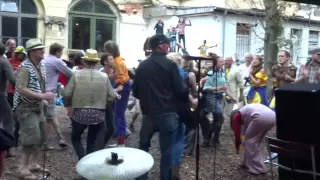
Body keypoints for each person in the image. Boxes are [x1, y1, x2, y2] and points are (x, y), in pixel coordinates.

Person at [133, 34, 184, 180]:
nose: (169, 45)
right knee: (167, 151)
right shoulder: (171, 65)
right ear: (160, 45)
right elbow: (181, 89)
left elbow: (135, 91)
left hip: (148, 114)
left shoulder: (142, 65)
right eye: (167, 43)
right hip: (167, 113)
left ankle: (141, 177)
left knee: (143, 148)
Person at [64, 49, 116, 160]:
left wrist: (68, 105)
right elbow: (111, 96)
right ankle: (89, 163)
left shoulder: (76, 75)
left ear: (85, 61)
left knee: (76, 138)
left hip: (79, 113)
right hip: (98, 114)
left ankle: (83, 159)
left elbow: (67, 93)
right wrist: (103, 105)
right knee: (91, 140)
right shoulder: (104, 77)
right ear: (96, 62)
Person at [14, 39, 54, 179]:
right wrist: (42, 95)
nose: (43, 51)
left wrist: (42, 98)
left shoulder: (41, 65)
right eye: (40, 49)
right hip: (25, 107)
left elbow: (40, 84)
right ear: (32, 52)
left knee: (42, 136)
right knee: (31, 138)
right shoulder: (24, 67)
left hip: (37, 106)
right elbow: (21, 89)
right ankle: (22, 169)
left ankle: (33, 164)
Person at [230, 104, 275, 175]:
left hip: (259, 117)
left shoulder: (236, 117)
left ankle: (257, 169)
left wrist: (237, 148)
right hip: (273, 116)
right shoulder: (245, 111)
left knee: (249, 141)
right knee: (258, 142)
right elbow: (244, 133)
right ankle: (249, 163)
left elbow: (237, 135)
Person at [43, 43, 73, 150]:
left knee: (52, 114)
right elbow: (71, 73)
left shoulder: (45, 59)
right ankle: (44, 144)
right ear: (57, 52)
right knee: (49, 118)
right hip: (49, 93)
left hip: (41, 91)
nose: (61, 55)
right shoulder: (56, 61)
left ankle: (61, 138)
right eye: (61, 52)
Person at [104, 40, 131, 147]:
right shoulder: (118, 60)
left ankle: (121, 141)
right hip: (122, 85)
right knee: (116, 109)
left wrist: (118, 86)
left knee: (119, 113)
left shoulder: (117, 62)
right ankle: (119, 132)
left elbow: (121, 78)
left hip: (122, 86)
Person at [200, 57, 231, 148]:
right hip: (211, 97)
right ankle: (208, 137)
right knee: (220, 119)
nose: (223, 63)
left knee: (217, 119)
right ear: (215, 63)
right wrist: (218, 88)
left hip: (220, 97)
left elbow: (225, 87)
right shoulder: (211, 73)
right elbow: (206, 87)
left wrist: (232, 96)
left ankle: (213, 140)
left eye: (223, 61)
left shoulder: (222, 73)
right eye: (221, 61)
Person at [6, 46, 26, 156]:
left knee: (18, 117)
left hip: (19, 92)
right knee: (10, 116)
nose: (20, 55)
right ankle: (10, 142)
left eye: (22, 54)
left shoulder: (24, 64)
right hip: (10, 92)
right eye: (18, 53)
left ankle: (15, 141)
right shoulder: (9, 61)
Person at [0, 42, 15, 158]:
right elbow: (12, 79)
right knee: (8, 120)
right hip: (1, 95)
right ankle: (7, 148)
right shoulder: (4, 61)